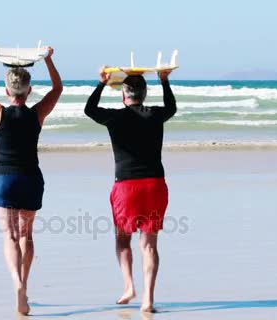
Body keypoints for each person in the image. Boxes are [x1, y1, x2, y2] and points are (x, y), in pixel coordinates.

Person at [0, 45, 62, 315]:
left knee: (8, 235)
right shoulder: (37, 114)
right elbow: (57, 89)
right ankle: (26, 286)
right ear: (28, 90)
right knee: (26, 235)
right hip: (31, 178)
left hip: (4, 179)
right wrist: (48, 60)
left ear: (8, 91)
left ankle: (17, 284)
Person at [84, 68, 176, 313]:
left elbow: (89, 110)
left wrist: (101, 83)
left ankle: (128, 287)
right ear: (144, 95)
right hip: (154, 185)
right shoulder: (155, 115)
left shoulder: (115, 117)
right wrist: (164, 81)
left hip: (125, 187)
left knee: (123, 239)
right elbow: (172, 107)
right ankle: (148, 299)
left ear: (124, 96)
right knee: (150, 245)